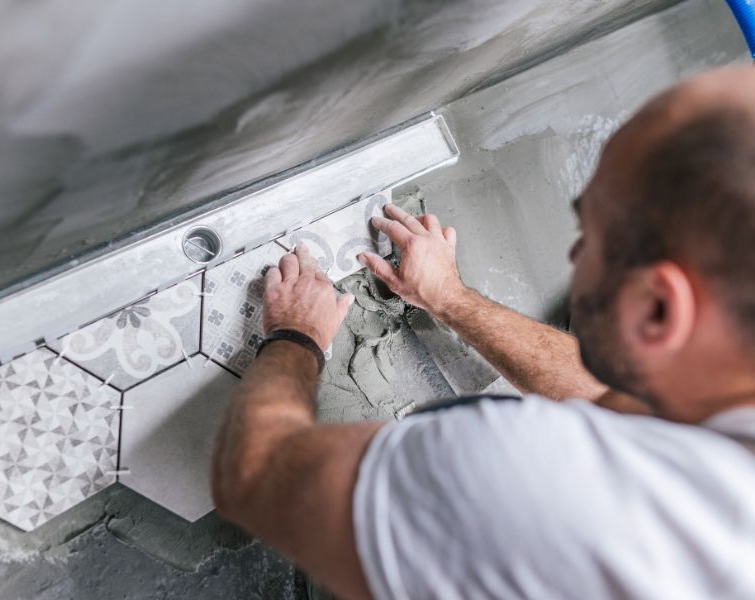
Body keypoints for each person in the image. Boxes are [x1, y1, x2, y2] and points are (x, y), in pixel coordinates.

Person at [210, 66, 755, 599]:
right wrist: (449, 298)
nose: (575, 254)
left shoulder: (538, 487)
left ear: (658, 310)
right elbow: (618, 403)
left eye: (589, 234)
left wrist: (296, 337)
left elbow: (253, 473)